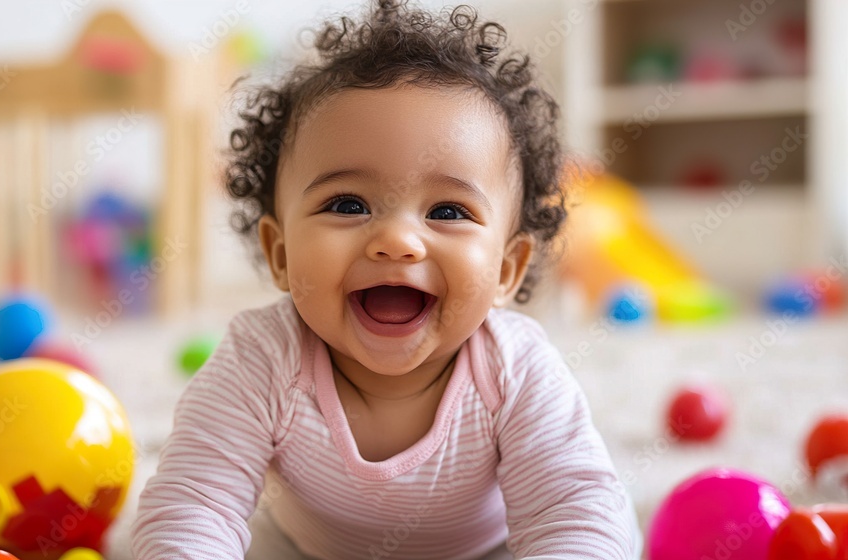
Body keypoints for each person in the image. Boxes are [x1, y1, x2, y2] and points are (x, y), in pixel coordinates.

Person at [133, 1, 641, 558]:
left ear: (507, 269)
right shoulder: (261, 359)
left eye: (447, 211)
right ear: (279, 253)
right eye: (347, 203)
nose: (397, 240)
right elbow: (195, 502)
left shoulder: (515, 370)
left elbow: (577, 511)